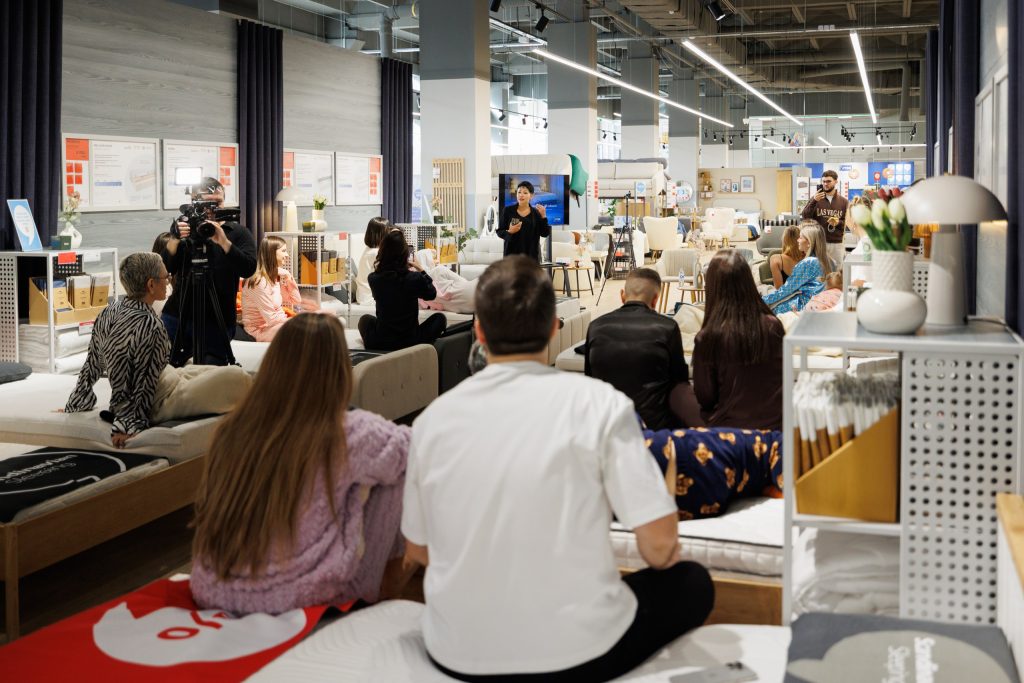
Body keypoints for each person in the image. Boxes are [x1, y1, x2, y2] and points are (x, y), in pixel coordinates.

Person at [402, 256, 714, 682]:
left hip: (457, 652)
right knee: (692, 583)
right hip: (578, 654)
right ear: (554, 327)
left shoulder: (432, 421)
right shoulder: (599, 404)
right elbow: (659, 548)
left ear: (479, 331)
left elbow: (418, 551)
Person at [191, 314, 413, 614]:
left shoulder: (233, 429)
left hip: (214, 586)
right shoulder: (347, 433)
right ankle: (384, 588)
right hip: (294, 593)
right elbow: (416, 450)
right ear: (339, 371)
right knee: (400, 474)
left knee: (377, 466)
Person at [63, 253, 251, 448]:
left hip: (167, 377)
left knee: (205, 369)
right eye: (165, 277)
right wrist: (128, 424)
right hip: (159, 399)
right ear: (151, 285)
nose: (168, 282)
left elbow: (93, 362)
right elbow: (144, 381)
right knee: (238, 377)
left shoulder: (108, 312)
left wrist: (77, 401)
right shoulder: (150, 325)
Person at [160, 177, 257, 366]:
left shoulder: (238, 233)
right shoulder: (185, 232)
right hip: (179, 315)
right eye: (206, 204)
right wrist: (174, 239)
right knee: (166, 370)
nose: (212, 209)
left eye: (217, 203)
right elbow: (165, 270)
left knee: (211, 375)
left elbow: (248, 269)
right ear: (194, 203)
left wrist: (224, 242)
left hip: (218, 318)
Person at [585, 267, 689, 430]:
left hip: (607, 428)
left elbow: (590, 379)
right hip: (654, 430)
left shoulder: (595, 327)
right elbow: (680, 382)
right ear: (655, 300)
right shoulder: (668, 327)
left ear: (622, 295)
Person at [692, 250, 784, 431]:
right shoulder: (773, 326)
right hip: (776, 428)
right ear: (748, 282)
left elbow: (705, 397)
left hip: (731, 433)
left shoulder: (708, 337)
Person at [358, 229, 447, 351]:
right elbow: (431, 294)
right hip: (410, 341)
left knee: (364, 320)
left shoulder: (373, 279)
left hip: (382, 341)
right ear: (404, 254)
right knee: (440, 318)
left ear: (382, 252)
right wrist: (421, 270)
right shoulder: (414, 278)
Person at [241, 236, 301, 342]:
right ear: (272, 253)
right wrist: (296, 322)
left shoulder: (274, 276)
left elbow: (296, 300)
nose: (287, 255)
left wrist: (288, 276)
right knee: (301, 331)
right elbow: (271, 319)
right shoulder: (259, 282)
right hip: (259, 330)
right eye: (283, 251)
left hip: (276, 325)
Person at [762, 224, 831, 314]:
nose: (797, 240)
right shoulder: (825, 259)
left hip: (805, 304)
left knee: (771, 310)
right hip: (819, 301)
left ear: (809, 242)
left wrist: (760, 300)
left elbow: (785, 290)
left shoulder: (808, 262)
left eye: (801, 238)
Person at [801, 169, 849, 268]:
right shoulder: (815, 199)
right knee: (819, 270)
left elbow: (847, 222)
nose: (825, 184)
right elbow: (805, 216)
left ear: (835, 181)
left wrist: (838, 222)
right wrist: (814, 201)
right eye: (823, 181)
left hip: (837, 243)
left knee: (837, 270)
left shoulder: (843, 202)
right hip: (819, 241)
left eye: (828, 181)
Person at [496, 180, 551, 261]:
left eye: (525, 193)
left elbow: (544, 233)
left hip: (531, 257)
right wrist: (510, 231)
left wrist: (543, 216)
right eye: (519, 192)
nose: (521, 195)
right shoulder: (507, 210)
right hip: (511, 257)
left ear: (531, 196)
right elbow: (499, 231)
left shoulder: (536, 213)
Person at [355, 216, 390, 306]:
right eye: (387, 231)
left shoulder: (370, 250)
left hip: (365, 295)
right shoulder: (375, 253)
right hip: (369, 298)